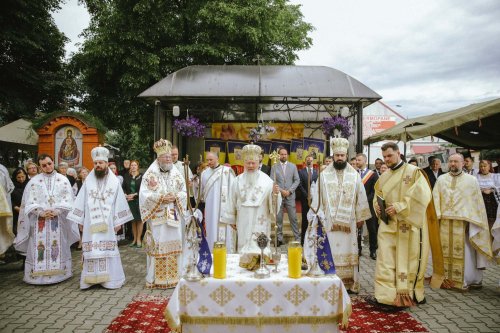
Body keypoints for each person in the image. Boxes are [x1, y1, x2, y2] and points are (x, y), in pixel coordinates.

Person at [372, 142, 432, 308]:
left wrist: (400, 206)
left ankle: (406, 296)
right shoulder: (384, 176)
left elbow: (422, 195)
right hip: (388, 225)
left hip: (408, 225)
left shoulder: (413, 172)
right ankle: (385, 296)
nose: (387, 160)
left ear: (398, 153)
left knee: (406, 262)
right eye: (384, 157)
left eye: (389, 155)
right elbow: (378, 195)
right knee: (385, 261)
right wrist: (376, 206)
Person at [307, 139, 371, 293]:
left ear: (346, 155)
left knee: (349, 249)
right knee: (331, 250)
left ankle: (349, 283)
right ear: (333, 156)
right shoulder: (323, 175)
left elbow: (360, 196)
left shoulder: (354, 175)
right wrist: (316, 216)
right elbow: (318, 196)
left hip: (349, 222)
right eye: (337, 155)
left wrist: (361, 217)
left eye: (342, 155)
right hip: (328, 221)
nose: (340, 158)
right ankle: (330, 280)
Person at [67, 147, 133, 289]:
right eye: (96, 163)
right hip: (90, 222)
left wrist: (118, 221)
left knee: (106, 249)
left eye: (101, 163)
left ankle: (110, 280)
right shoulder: (88, 181)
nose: (98, 166)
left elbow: (119, 201)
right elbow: (81, 201)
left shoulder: (114, 182)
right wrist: (80, 221)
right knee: (91, 248)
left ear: (106, 164)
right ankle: (90, 279)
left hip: (108, 223)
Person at [14, 154, 79, 285]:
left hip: (57, 220)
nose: (47, 167)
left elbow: (69, 200)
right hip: (39, 222)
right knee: (40, 247)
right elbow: (28, 202)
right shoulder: (33, 182)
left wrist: (57, 210)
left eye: (49, 163)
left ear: (53, 162)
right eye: (44, 165)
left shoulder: (63, 180)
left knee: (57, 246)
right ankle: (38, 275)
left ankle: (59, 274)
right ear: (40, 166)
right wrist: (40, 212)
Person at [433, 154, 493, 290]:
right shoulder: (441, 179)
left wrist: (472, 223)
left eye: (456, 161)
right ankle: (445, 280)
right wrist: (436, 218)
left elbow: (476, 204)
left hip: (464, 224)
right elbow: (435, 199)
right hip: (445, 223)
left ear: (462, 163)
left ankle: (466, 280)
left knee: (465, 253)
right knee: (444, 252)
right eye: (450, 161)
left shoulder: (471, 180)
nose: (453, 164)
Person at [221, 143, 281, 269]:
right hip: (243, 219)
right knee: (244, 244)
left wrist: (275, 194)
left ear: (259, 162)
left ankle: (261, 264)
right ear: (244, 163)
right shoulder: (237, 180)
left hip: (261, 217)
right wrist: (231, 218)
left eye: (253, 163)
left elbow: (273, 204)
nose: (251, 166)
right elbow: (232, 198)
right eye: (248, 163)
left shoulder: (267, 181)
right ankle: (244, 265)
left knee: (259, 245)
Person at [139, 139, 187, 289]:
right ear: (158, 158)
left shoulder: (177, 174)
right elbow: (144, 195)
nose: (168, 159)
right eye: (165, 157)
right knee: (158, 244)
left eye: (169, 157)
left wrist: (176, 197)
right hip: (158, 216)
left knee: (175, 242)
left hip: (173, 214)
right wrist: (160, 198)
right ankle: (157, 279)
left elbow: (184, 192)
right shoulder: (150, 174)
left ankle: (175, 277)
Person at [200, 152, 236, 252]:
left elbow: (234, 190)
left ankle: (227, 252)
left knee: (225, 230)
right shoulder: (204, 173)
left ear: (217, 159)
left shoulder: (227, 172)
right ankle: (211, 251)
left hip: (225, 209)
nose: (208, 162)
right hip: (210, 208)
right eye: (207, 160)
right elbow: (200, 193)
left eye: (211, 160)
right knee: (211, 229)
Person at [270, 147, 300, 245]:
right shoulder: (274, 166)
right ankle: (279, 238)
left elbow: (297, 180)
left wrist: (290, 191)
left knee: (293, 218)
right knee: (279, 218)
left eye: (285, 154)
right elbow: (272, 181)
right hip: (279, 196)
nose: (284, 156)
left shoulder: (293, 166)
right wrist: (281, 191)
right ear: (278, 156)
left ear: (287, 155)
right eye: (282, 154)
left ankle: (297, 238)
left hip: (290, 196)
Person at [356, 153, 379, 260]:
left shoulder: (373, 174)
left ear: (365, 161)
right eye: (356, 160)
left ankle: (373, 250)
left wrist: (365, 201)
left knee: (372, 229)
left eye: (359, 160)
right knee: (357, 228)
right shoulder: (354, 173)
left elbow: (376, 190)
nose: (357, 162)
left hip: (369, 205)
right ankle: (358, 249)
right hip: (357, 206)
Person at [297, 154, 318, 246]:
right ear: (305, 161)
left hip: (316, 200)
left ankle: (314, 239)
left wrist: (315, 196)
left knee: (314, 219)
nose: (309, 161)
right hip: (305, 200)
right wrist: (307, 195)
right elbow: (300, 184)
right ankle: (303, 241)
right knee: (305, 220)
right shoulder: (301, 172)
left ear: (313, 161)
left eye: (311, 159)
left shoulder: (317, 172)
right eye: (307, 159)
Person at [122, 160, 143, 248]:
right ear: (130, 167)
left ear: (138, 167)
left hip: (139, 201)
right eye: (132, 165)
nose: (133, 166)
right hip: (130, 201)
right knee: (133, 221)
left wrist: (135, 194)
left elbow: (144, 189)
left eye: (135, 165)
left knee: (140, 220)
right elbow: (123, 188)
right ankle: (134, 239)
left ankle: (139, 239)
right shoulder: (127, 176)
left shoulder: (142, 176)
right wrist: (126, 195)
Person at [476, 159, 500, 232]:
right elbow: (473, 189)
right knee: (483, 223)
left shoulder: (496, 176)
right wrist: (482, 190)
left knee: (494, 222)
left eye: (485, 166)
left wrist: (492, 190)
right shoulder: (475, 177)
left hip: (493, 203)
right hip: (480, 203)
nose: (483, 168)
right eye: (481, 166)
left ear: (489, 167)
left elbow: (499, 187)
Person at [10, 168, 29, 236]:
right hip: (15, 213)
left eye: (23, 176)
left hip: (28, 212)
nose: (21, 179)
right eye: (18, 177)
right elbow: (8, 198)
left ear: (26, 175)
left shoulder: (30, 184)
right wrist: (15, 207)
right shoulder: (11, 186)